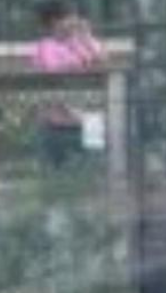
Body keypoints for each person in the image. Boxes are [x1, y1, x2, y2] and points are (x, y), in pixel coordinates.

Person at [29, 1, 106, 169]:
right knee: (85, 111)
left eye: (75, 16)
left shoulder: (79, 43)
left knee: (95, 117)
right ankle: (63, 167)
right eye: (70, 17)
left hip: (84, 109)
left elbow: (101, 61)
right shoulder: (44, 47)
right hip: (58, 113)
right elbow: (55, 75)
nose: (75, 21)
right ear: (54, 23)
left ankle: (95, 167)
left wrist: (87, 38)